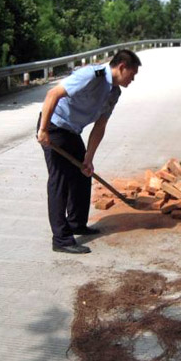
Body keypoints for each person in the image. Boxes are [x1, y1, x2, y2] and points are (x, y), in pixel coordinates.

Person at [37, 49, 141, 254]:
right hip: (54, 126)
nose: (133, 79)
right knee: (60, 181)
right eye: (132, 74)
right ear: (122, 67)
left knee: (83, 174)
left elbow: (100, 126)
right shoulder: (91, 76)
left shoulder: (114, 93)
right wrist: (43, 129)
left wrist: (89, 158)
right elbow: (53, 94)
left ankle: (76, 223)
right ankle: (61, 240)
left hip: (71, 131)